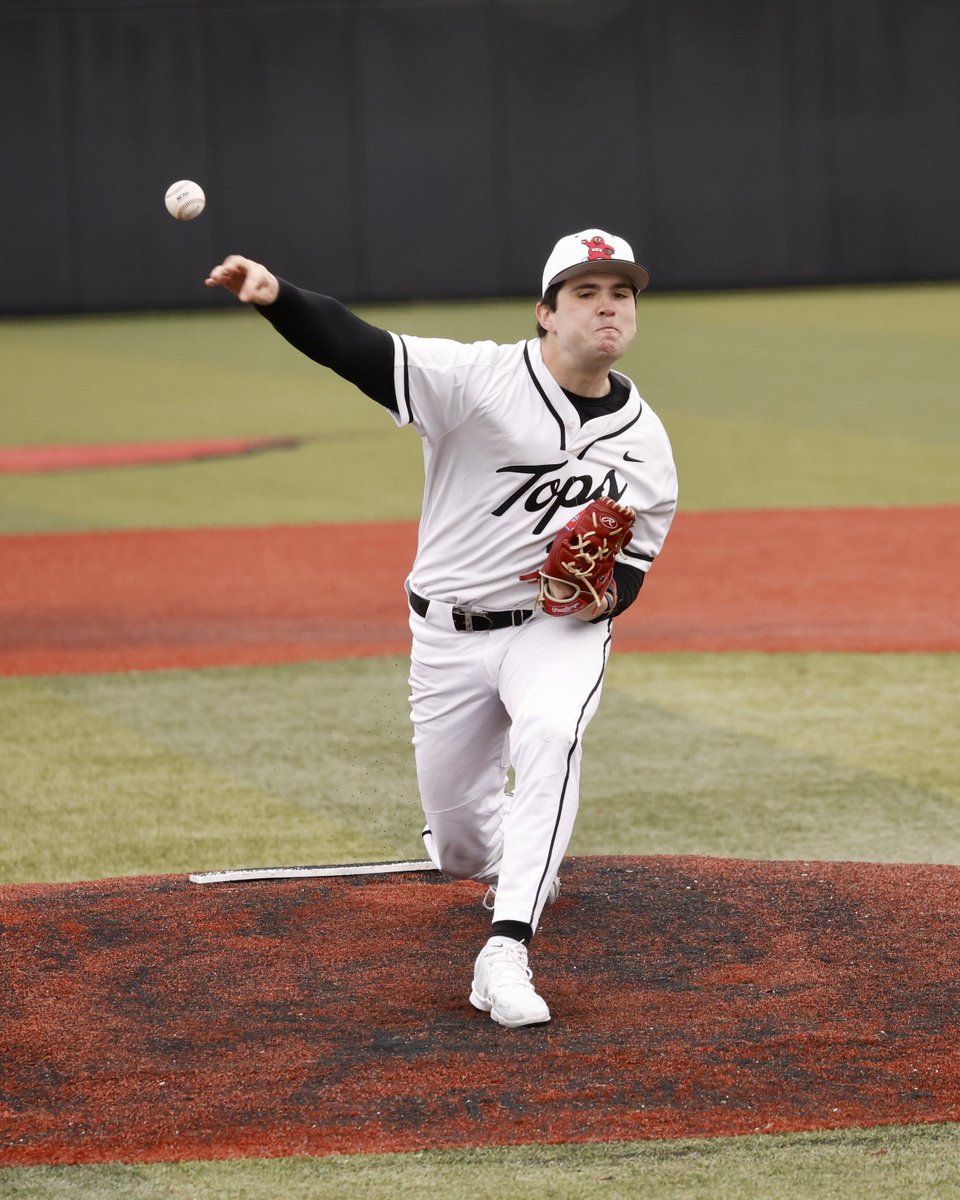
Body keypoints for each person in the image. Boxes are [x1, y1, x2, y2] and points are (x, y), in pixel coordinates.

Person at [206, 228, 678, 1028]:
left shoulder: (646, 440)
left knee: (551, 733)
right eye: (586, 293)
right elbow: (361, 349)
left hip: (550, 632)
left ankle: (506, 949)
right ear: (544, 312)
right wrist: (277, 299)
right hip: (448, 637)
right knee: (459, 849)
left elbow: (634, 562)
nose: (607, 308)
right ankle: (511, 859)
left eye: (621, 293)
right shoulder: (476, 379)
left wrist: (601, 600)